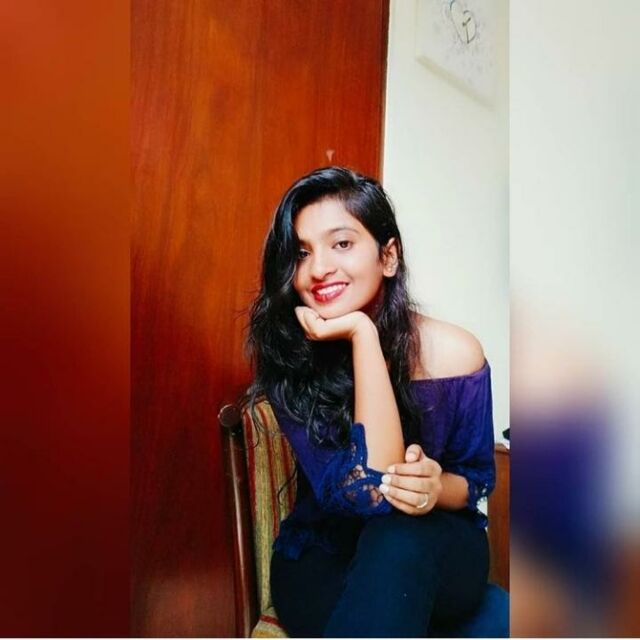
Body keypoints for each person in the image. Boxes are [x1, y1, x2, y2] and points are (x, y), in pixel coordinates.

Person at [246, 166, 495, 638]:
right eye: (301, 252)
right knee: (391, 533)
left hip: (438, 548)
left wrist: (434, 486)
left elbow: (477, 479)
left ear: (388, 256)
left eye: (341, 243)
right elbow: (372, 492)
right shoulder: (289, 358)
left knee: (402, 535)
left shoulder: (456, 354)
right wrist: (363, 335)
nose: (318, 269)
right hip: (328, 559)